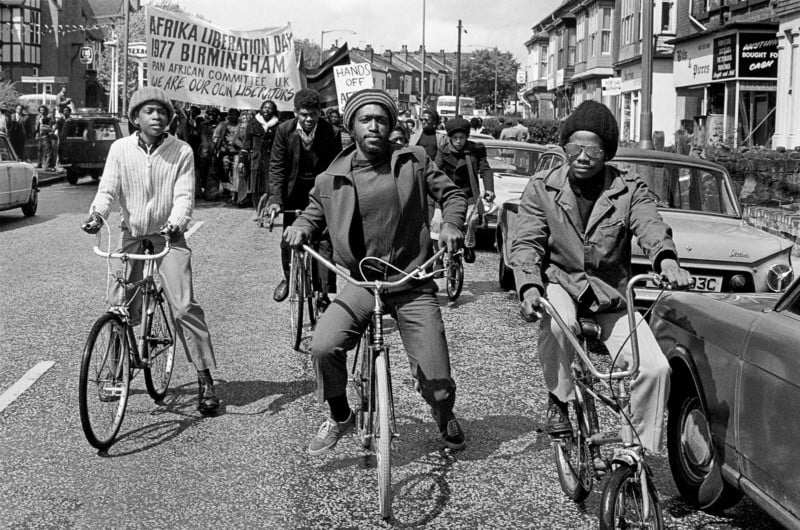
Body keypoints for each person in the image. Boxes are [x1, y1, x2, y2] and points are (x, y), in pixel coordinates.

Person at [282, 88, 468, 454]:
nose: (374, 126)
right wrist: (301, 227)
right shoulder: (330, 178)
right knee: (323, 346)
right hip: (361, 282)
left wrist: (450, 224)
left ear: (391, 126)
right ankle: (339, 415)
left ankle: (444, 412)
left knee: (438, 380)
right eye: (365, 119)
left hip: (411, 280)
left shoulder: (414, 161)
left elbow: (453, 195)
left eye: (381, 120)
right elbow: (313, 215)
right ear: (352, 126)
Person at [510, 100, 692, 451]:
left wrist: (666, 260)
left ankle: (634, 450)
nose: (582, 155)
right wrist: (530, 287)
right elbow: (527, 242)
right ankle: (559, 401)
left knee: (655, 369)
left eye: (592, 148)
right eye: (574, 146)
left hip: (611, 296)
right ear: (565, 147)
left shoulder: (629, 189)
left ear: (606, 151)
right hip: (562, 283)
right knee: (557, 320)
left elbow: (650, 226)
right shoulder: (542, 188)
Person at [81, 87, 220, 415]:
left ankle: (205, 378)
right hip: (133, 236)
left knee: (184, 307)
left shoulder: (181, 151)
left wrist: (176, 222)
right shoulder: (120, 149)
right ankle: (117, 366)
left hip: (168, 238)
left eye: (161, 112)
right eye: (148, 111)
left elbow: (185, 195)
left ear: (169, 117)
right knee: (118, 303)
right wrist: (97, 215)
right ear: (135, 118)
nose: (156, 117)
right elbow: (108, 190)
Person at [267, 88, 342, 304]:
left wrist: (331, 200)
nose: (308, 119)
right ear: (296, 113)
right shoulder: (284, 130)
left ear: (320, 113)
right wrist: (275, 201)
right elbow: (277, 167)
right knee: (288, 240)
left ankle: (324, 293)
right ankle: (289, 278)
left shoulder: (332, 133)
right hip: (294, 192)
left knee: (325, 242)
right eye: (304, 114)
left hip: (320, 191)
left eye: (313, 114)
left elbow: (333, 168)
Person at [434, 118, 495, 264]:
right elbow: (435, 171)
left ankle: (468, 245)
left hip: (469, 193)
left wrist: (489, 189)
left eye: (462, 138)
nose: (458, 141)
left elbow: (485, 170)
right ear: (449, 138)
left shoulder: (477, 150)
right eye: (455, 138)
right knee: (437, 223)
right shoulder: (443, 150)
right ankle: (438, 259)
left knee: (472, 220)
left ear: (467, 137)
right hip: (447, 194)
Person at [240, 100, 280, 208]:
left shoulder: (278, 125)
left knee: (269, 187)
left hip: (271, 160)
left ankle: (266, 210)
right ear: (261, 109)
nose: (267, 110)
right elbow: (247, 143)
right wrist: (242, 161)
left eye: (270, 108)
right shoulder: (253, 124)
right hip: (256, 160)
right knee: (255, 187)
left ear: (274, 110)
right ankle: (257, 210)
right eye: (265, 107)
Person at [212, 108, 242, 202]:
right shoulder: (222, 124)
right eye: (231, 114)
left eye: (235, 114)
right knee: (224, 172)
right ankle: (228, 191)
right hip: (224, 152)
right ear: (228, 115)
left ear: (238, 115)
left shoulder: (241, 126)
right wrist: (219, 144)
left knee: (236, 172)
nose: (233, 116)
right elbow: (215, 137)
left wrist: (235, 142)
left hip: (237, 153)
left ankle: (234, 194)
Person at [35, 106, 55, 170]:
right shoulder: (38, 117)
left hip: (46, 134)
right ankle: (39, 163)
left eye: (43, 110)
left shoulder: (49, 117)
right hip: (39, 134)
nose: (42, 111)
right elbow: (36, 126)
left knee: (48, 150)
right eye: (40, 110)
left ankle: (47, 165)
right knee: (39, 149)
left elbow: (53, 123)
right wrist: (36, 133)